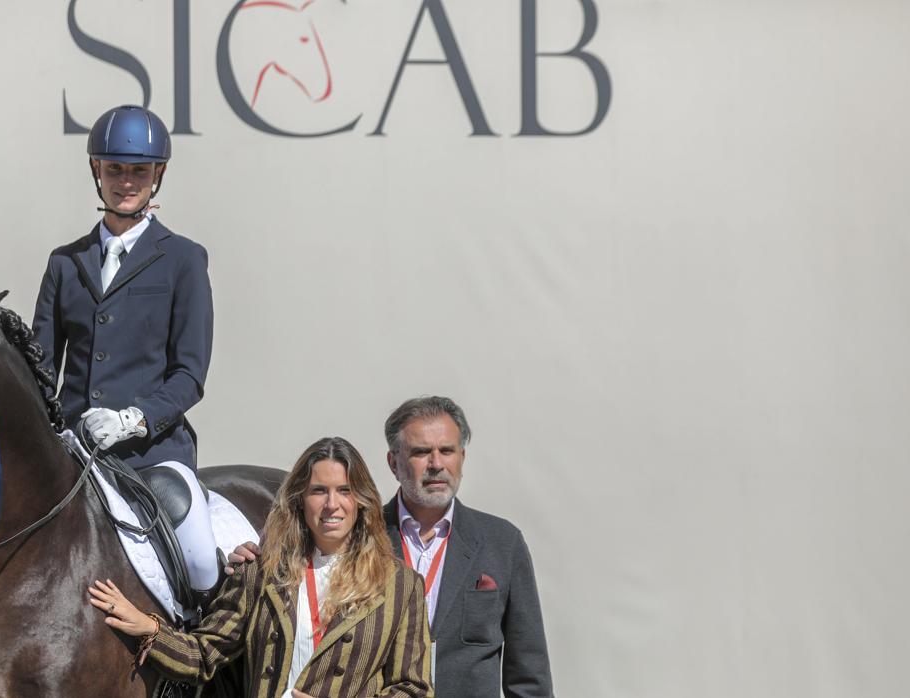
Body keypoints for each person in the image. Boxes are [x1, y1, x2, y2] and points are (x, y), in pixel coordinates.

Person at [229, 397, 555, 697]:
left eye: (447, 450)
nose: (436, 463)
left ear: (462, 457)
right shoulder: (351, 540)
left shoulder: (502, 543)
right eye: (421, 452)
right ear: (393, 463)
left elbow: (528, 675)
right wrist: (250, 562)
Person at [32, 105, 219, 596]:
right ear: (96, 170)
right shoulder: (65, 263)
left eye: (139, 170)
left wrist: (131, 420)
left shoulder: (183, 259)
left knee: (201, 562)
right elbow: (41, 369)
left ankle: (200, 662)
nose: (126, 181)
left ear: (158, 175)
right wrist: (57, 430)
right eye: (115, 168)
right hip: (74, 454)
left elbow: (189, 374)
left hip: (151, 452)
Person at [88, 437, 433, 698]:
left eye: (344, 490)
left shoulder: (400, 585)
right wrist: (148, 627)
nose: (332, 505)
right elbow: (204, 655)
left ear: (361, 500)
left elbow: (413, 688)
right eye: (318, 491)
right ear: (300, 499)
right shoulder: (259, 571)